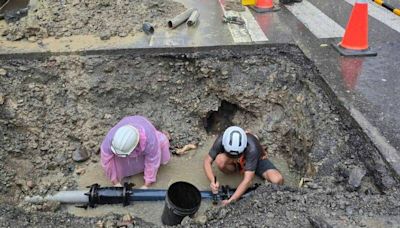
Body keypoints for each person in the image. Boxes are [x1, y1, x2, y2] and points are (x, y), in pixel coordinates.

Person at [203, 126, 283, 206]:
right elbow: (207, 161)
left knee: (277, 180)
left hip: (253, 158)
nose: (236, 158)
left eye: (237, 156)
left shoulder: (252, 148)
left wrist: (232, 200)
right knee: (220, 160)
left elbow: (248, 180)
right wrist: (212, 181)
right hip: (236, 159)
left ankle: (249, 168)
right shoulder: (222, 139)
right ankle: (237, 170)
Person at [100, 115, 170, 188]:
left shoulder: (150, 141)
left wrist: (146, 184)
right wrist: (115, 182)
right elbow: (106, 160)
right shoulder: (111, 138)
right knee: (115, 163)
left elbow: (152, 161)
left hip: (146, 133)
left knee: (162, 143)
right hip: (130, 134)